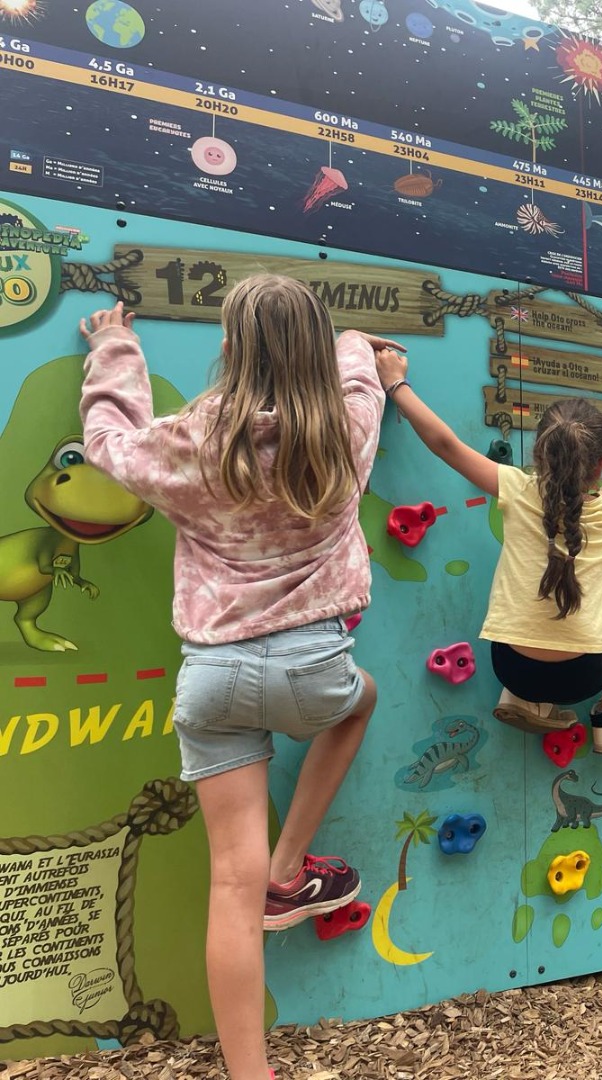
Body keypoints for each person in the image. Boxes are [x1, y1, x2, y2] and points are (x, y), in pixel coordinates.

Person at [79, 279, 394, 1080]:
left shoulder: (194, 442)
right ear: (313, 348)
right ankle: (291, 869)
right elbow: (357, 370)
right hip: (316, 669)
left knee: (230, 884)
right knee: (363, 703)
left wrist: (116, 349)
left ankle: (250, 1075)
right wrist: (353, 343)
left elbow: (111, 445)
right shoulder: (347, 427)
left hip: (212, 681)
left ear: (232, 347)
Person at [376, 349, 602, 753]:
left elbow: (445, 445)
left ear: (539, 452)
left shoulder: (517, 487)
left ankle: (524, 698)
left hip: (511, 667)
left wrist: (396, 385)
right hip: (582, 677)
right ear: (600, 465)